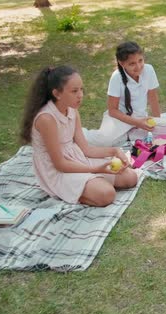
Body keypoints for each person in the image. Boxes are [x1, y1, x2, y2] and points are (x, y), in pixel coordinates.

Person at [21, 65, 138, 207]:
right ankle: (85, 188)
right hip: (57, 169)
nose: (80, 95)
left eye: (81, 89)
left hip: (76, 158)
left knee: (131, 178)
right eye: (74, 91)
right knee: (107, 194)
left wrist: (114, 151)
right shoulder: (47, 119)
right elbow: (60, 164)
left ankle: (92, 183)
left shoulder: (72, 110)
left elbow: (86, 149)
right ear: (57, 93)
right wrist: (96, 169)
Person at [84, 41, 166, 147]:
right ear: (121, 63)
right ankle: (80, 133)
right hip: (119, 119)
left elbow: (153, 98)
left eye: (140, 60)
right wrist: (136, 123)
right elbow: (112, 111)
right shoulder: (116, 77)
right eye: (132, 63)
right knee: (104, 142)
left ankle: (128, 134)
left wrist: (157, 121)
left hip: (140, 118)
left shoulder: (149, 70)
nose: (138, 66)